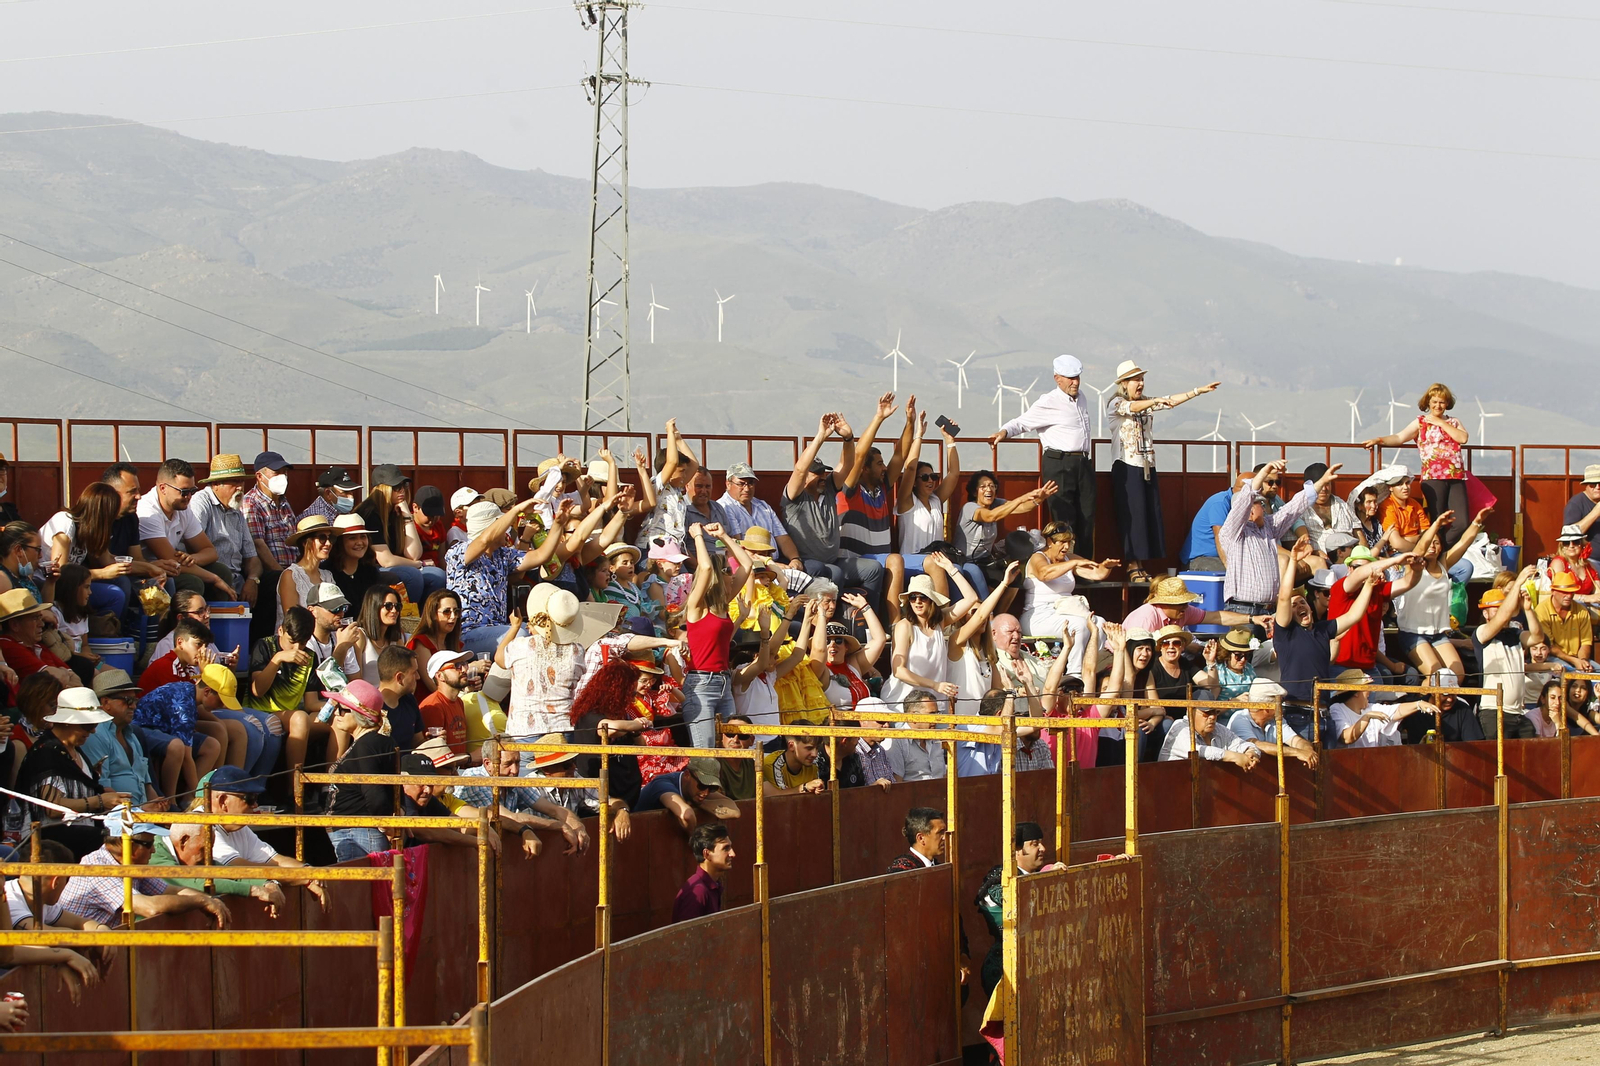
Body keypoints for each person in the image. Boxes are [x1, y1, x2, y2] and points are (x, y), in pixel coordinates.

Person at [1104, 360, 1219, 583]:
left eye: (1141, 379)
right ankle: (1132, 565)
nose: (1140, 384)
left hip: (1147, 465)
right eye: (1136, 380)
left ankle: (1142, 564)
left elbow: (1170, 402)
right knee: (1132, 516)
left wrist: (1197, 391)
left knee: (1148, 515)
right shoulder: (1116, 403)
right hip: (1127, 466)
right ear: (1124, 383)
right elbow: (1133, 407)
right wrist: (1155, 401)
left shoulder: (1146, 402)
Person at [988, 354, 1097, 552]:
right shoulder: (1049, 401)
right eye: (1070, 378)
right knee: (1064, 517)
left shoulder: (1082, 398)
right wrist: (1004, 432)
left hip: (1083, 463)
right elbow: (1022, 422)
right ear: (1058, 378)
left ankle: (1084, 565)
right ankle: (1065, 565)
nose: (1075, 382)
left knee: (1087, 516)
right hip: (1059, 463)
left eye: (1077, 377)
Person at [56, 808, 230, 928]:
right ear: (127, 845)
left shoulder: (130, 865)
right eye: (148, 844)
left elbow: (172, 890)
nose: (153, 850)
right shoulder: (99, 869)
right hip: (75, 951)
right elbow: (150, 907)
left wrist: (210, 901)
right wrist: (202, 901)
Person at [1273, 536, 1376, 727]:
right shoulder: (1285, 634)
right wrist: (1294, 561)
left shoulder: (1323, 629)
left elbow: (1354, 615)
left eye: (1302, 602)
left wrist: (1369, 585)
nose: (1299, 606)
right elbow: (1284, 598)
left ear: (1310, 607)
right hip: (1298, 714)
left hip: (1323, 714)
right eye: (1294, 606)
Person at [781, 411, 884, 603]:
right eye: (817, 474)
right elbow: (800, 469)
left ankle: (863, 618)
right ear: (805, 479)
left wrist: (847, 438)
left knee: (874, 569)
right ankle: (828, 622)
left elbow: (847, 465)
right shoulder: (795, 497)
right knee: (833, 574)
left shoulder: (828, 489)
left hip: (833, 559)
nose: (823, 477)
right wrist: (821, 436)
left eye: (824, 473)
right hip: (806, 563)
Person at [448, 496, 571, 654]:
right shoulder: (458, 552)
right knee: (521, 637)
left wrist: (558, 524)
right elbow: (485, 539)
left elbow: (542, 556)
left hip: (499, 631)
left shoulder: (502, 555)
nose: (507, 533)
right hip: (468, 634)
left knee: (535, 635)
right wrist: (516, 510)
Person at [496, 583, 620, 738]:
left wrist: (514, 627)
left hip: (524, 731)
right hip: (562, 729)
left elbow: (499, 658)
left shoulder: (521, 646)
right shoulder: (577, 651)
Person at [14, 688, 127, 856]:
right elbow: (52, 808)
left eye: (94, 726)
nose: (93, 731)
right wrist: (99, 801)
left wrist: (104, 794)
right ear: (68, 722)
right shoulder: (47, 754)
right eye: (88, 726)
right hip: (47, 838)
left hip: (79, 832)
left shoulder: (74, 751)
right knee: (119, 844)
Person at [1220, 461, 1340, 618]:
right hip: (1243, 610)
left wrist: (1321, 483)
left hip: (1269, 610)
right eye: (1259, 505)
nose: (1263, 508)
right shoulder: (1233, 532)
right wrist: (1263, 473)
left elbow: (1294, 507)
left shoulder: (1267, 527)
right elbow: (1244, 501)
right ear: (1248, 511)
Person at [1361, 383, 1470, 549]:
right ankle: (1435, 554)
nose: (1437, 406)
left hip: (1456, 477)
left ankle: (1440, 550)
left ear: (1447, 403)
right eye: (1434, 402)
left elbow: (1462, 438)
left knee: (1461, 522)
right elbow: (1399, 437)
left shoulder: (1453, 422)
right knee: (1437, 520)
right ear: (1428, 402)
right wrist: (1379, 440)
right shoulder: (1421, 422)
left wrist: (1440, 423)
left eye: (1441, 402)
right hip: (1433, 478)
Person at [203, 766, 326, 907]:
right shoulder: (201, 826)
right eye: (250, 798)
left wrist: (308, 872)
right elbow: (238, 868)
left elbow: (275, 860)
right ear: (223, 801)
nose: (255, 805)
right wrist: (303, 877)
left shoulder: (236, 825)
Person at [1392, 508, 1491, 680]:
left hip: (1437, 634)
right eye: (1430, 542)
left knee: (1458, 676)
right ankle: (1421, 702)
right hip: (1412, 632)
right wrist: (1436, 524)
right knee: (1437, 677)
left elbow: (1463, 543)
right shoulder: (1412, 566)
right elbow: (1420, 548)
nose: (1432, 546)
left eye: (1437, 543)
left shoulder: (1444, 564)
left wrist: (1477, 521)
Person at [681, 523, 757, 748]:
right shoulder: (697, 606)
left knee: (732, 748)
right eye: (728, 571)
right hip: (701, 684)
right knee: (705, 751)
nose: (732, 575)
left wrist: (724, 535)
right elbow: (704, 568)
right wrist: (697, 536)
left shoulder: (722, 605)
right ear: (718, 575)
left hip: (723, 682)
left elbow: (747, 564)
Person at [975, 822, 1064, 995]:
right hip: (1004, 966)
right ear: (1016, 850)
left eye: (1041, 842)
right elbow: (1002, 899)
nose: (1043, 848)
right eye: (1034, 844)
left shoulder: (1041, 874)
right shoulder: (1000, 877)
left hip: (1038, 964)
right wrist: (1045, 880)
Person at [1015, 524, 1115, 664]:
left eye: (1069, 542)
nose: (1067, 547)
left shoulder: (1068, 559)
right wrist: (1073, 563)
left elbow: (1097, 573)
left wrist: (1106, 567)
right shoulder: (1037, 557)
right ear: (1049, 541)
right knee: (1079, 626)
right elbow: (1044, 574)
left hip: (1065, 611)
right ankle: (1075, 674)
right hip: (1038, 615)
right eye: (1062, 542)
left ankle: (1094, 668)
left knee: (1100, 623)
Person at [136, 459, 234, 601]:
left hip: (173, 568)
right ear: (163, 488)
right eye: (184, 492)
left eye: (192, 491)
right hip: (150, 572)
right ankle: (186, 622)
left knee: (222, 571)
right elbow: (172, 560)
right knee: (193, 583)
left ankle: (216, 619)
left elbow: (211, 552)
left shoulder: (183, 508)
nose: (189, 497)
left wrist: (193, 558)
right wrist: (214, 578)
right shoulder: (148, 512)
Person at [881, 568, 978, 709]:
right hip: (903, 706)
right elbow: (898, 671)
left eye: (923, 597)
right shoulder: (905, 626)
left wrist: (950, 568)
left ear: (932, 600)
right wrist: (935, 685)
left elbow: (971, 598)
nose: (917, 602)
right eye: (913, 597)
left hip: (935, 706)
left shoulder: (940, 622)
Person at [245, 606, 327, 771]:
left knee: (342, 721)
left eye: (302, 643)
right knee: (300, 719)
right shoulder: (264, 646)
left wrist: (335, 704)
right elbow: (257, 690)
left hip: (292, 714)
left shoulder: (310, 657)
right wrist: (278, 659)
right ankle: (295, 790)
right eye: (291, 642)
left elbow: (311, 703)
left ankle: (328, 787)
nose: (296, 649)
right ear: (280, 630)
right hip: (260, 711)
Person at [40, 482, 134, 623]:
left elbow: (108, 559)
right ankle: (100, 632)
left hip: (72, 585)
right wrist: (103, 573)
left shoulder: (87, 530)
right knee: (115, 595)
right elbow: (61, 572)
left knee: (121, 581)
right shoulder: (65, 522)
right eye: (111, 518)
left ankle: (106, 630)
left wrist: (151, 568)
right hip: (47, 584)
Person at [355, 464, 445, 606]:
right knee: (413, 576)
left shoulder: (396, 511)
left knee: (437, 576)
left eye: (403, 486)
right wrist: (418, 564)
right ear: (382, 489)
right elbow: (386, 560)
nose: (402, 491)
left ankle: (425, 620)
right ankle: (407, 622)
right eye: (396, 487)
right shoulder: (371, 513)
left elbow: (414, 553)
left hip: (389, 566)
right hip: (368, 568)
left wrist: (407, 517)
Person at [81, 670, 168, 808]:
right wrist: (140, 811)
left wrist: (157, 806)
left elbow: (146, 785)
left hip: (140, 817)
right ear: (105, 702)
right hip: (115, 821)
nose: (133, 706)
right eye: (127, 701)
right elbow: (102, 790)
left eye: (134, 700)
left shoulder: (132, 736)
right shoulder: (95, 735)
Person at [956, 471, 1054, 593]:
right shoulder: (970, 507)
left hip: (986, 560)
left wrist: (1041, 498)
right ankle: (985, 610)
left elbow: (1022, 507)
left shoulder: (996, 504)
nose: (989, 489)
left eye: (992, 486)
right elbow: (990, 516)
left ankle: (1000, 611)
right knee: (985, 585)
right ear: (975, 491)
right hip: (967, 561)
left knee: (1015, 578)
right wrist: (1021, 498)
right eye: (983, 486)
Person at [1473, 577, 1543, 740]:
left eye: (1503, 607)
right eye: (1496, 608)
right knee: (1497, 760)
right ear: (1485, 613)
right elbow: (1502, 618)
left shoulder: (1516, 634)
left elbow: (1538, 637)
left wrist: (1528, 609)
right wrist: (1518, 582)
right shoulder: (1482, 632)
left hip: (1518, 712)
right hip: (1493, 711)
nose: (1502, 611)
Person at [188, 455, 262, 608]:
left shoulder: (237, 511)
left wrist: (252, 579)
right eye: (234, 482)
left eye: (241, 481)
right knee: (222, 572)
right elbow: (192, 545)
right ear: (215, 484)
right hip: (210, 575)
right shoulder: (201, 503)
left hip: (237, 578)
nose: (240, 487)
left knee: (273, 581)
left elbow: (252, 557)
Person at [716, 463, 803, 564]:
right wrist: (770, 564)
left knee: (815, 568)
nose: (747, 488)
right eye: (741, 484)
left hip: (775, 560)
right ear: (728, 484)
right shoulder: (724, 507)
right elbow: (737, 545)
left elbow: (782, 536)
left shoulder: (763, 505)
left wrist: (795, 559)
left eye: (751, 483)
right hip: (750, 564)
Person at [1326, 669, 1430, 748]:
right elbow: (1347, 738)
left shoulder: (1371, 707)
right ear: (1356, 693)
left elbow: (1397, 710)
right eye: (1367, 688)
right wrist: (1366, 718)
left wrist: (1418, 704)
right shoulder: (1337, 709)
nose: (1370, 691)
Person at [1226, 679, 1318, 767]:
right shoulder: (1240, 718)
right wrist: (1297, 752)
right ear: (1267, 708)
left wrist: (1308, 751)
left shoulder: (1275, 720)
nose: (1282, 708)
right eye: (1279, 705)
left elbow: (1296, 740)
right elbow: (1256, 744)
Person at [634, 757, 740, 832]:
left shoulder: (696, 791)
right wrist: (692, 837)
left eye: (712, 788)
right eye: (702, 785)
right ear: (687, 775)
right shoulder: (662, 784)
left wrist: (698, 804)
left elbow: (735, 812)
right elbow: (687, 815)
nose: (706, 792)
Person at [0, 588, 78, 689]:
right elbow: (56, 678)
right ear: (15, 625)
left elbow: (76, 679)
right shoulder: (8, 646)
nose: (41, 624)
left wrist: (63, 677)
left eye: (40, 618)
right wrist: (64, 673)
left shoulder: (38, 646)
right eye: (35, 618)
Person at [1180, 472, 1252, 572]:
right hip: (1200, 559)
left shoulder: (1251, 504)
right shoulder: (1220, 502)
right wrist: (1229, 566)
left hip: (1226, 556)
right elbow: (1220, 536)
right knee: (1240, 572)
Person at [276, 516, 337, 622]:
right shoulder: (291, 575)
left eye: (330, 538)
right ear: (305, 542)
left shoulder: (328, 576)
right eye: (322, 538)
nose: (328, 543)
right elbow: (292, 622)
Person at [672, 822, 735, 923]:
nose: (732, 854)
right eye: (725, 848)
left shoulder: (713, 886)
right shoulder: (698, 892)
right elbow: (688, 936)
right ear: (707, 854)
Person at [1534, 571, 1595, 672]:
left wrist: (1583, 661)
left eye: (1572, 592)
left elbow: (1586, 643)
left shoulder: (1582, 611)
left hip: (1577, 658)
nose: (1569, 596)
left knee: (1596, 673)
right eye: (1565, 592)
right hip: (1552, 658)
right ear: (1553, 591)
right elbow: (1549, 645)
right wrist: (1574, 661)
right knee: (1570, 673)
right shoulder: (1542, 610)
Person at [885, 689, 948, 781]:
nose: (936, 719)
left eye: (937, 713)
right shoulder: (897, 741)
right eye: (932, 714)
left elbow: (943, 775)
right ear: (914, 716)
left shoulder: (936, 738)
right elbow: (897, 782)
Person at [326, 512, 382, 610]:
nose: (359, 542)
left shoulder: (370, 571)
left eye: (363, 536)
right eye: (352, 538)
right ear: (339, 542)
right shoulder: (327, 572)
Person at [1550, 525, 1600, 602]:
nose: (1571, 546)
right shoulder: (1559, 563)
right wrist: (1586, 598)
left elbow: (1598, 591)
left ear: (1582, 545)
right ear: (1562, 546)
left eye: (1576, 542)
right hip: (1567, 607)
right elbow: (1560, 593)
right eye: (1566, 543)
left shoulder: (1588, 565)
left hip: (1588, 607)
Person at [1561, 465, 1600, 554]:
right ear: (1586, 485)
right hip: (1589, 560)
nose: (1598, 487)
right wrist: (1595, 513)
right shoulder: (1576, 504)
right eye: (1593, 484)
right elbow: (1569, 534)